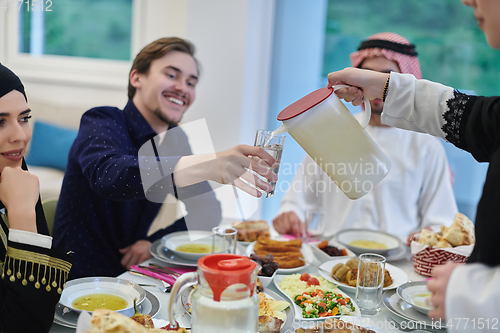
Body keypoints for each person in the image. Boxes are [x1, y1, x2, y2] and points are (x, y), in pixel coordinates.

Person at [327, 0, 500, 330]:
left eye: (388, 75)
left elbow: (441, 226)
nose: (467, 1)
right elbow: (472, 116)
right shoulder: (335, 130)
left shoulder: (425, 145)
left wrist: (477, 292)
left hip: (399, 279)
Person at [53, 37, 276, 279]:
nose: (183, 88)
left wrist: (153, 244)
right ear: (136, 78)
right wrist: (205, 164)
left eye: (191, 82)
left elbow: (207, 209)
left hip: (133, 278)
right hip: (76, 279)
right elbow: (110, 175)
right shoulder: (102, 120)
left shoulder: (174, 140)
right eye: (172, 75)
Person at [273, 32, 458, 242]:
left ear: (403, 85)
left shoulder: (425, 144)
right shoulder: (330, 132)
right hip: (333, 258)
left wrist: (428, 235)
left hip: (396, 265)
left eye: (387, 79)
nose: (377, 87)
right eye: (369, 76)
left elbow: (441, 221)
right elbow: (297, 201)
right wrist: (290, 214)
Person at [0, 64, 73, 333]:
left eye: (24, 118)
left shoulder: (18, 177)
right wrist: (21, 215)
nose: (20, 136)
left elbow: (42, 309)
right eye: (0, 121)